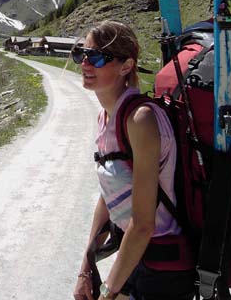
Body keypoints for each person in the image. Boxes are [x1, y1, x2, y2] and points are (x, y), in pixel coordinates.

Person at [72, 21, 195, 300]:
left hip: (164, 268)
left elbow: (143, 224)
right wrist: (86, 270)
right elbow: (110, 195)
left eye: (98, 57)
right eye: (82, 54)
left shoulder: (140, 119)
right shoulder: (107, 116)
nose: (85, 64)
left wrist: (107, 293)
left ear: (126, 66)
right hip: (137, 256)